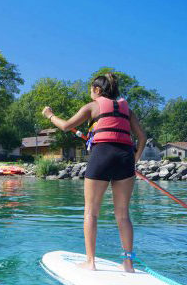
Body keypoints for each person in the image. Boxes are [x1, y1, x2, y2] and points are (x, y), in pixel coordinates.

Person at [42, 73, 147, 273]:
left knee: (91, 212)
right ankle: (128, 264)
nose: (90, 92)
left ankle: (90, 262)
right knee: (123, 215)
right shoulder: (127, 109)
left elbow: (65, 126)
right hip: (125, 158)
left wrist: (49, 115)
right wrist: (135, 158)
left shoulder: (93, 106)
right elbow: (142, 137)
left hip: (103, 156)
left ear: (97, 90)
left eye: (91, 89)